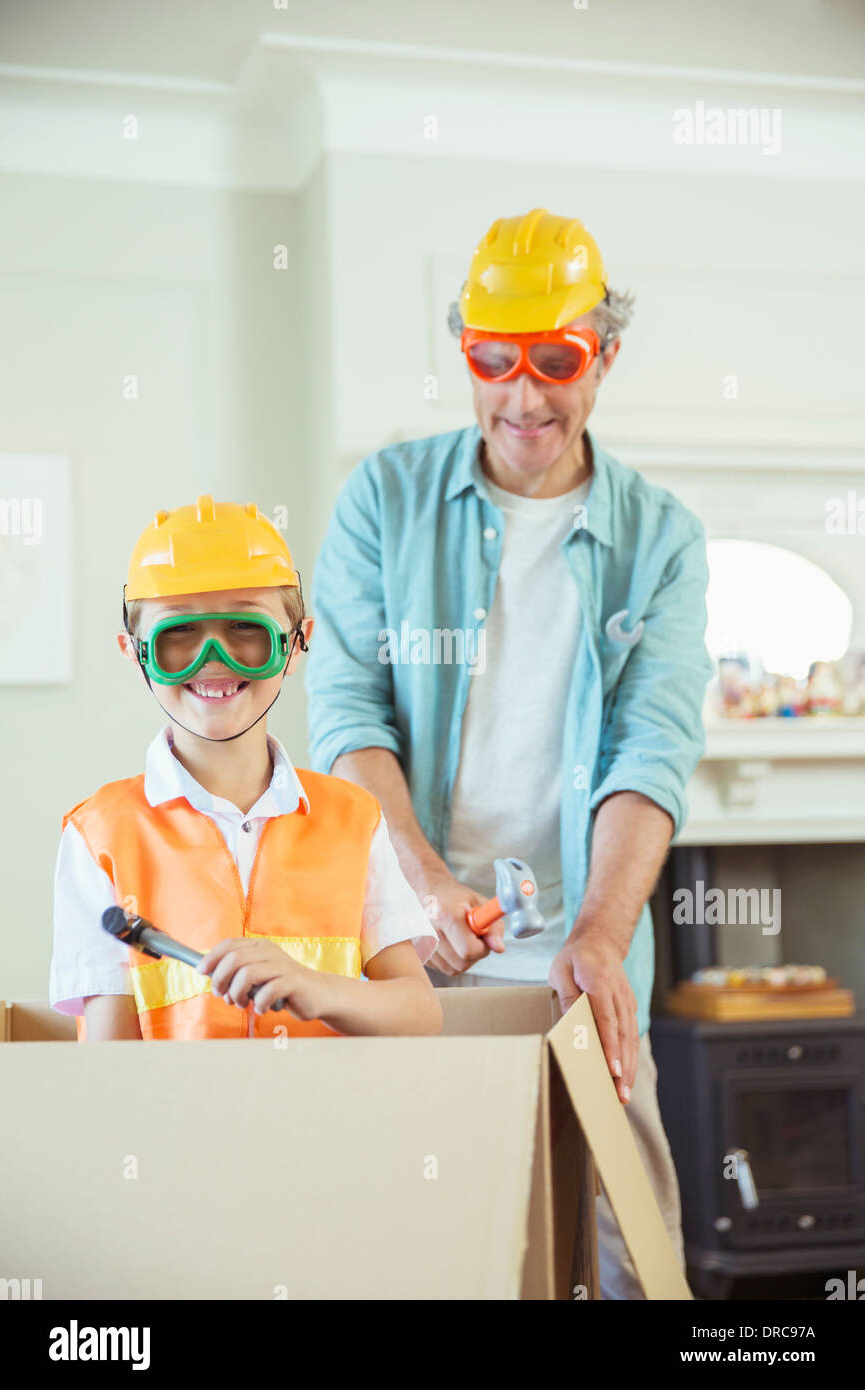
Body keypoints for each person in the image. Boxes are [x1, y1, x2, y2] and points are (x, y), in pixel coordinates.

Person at [305, 208, 713, 1297]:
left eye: (555, 359)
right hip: (413, 950)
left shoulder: (660, 536)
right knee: (424, 1234)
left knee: (626, 1241)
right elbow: (347, 710)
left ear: (604, 354)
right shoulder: (382, 502)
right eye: (492, 360)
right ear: (465, 355)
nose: (523, 396)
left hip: (583, 952)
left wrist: (599, 929)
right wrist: (424, 883)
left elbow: (652, 744)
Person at [49, 496, 441, 1041]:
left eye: (245, 630)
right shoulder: (98, 835)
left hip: (334, 1124)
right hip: (179, 1126)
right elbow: (110, 1068)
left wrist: (318, 988)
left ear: (298, 641)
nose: (214, 658)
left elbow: (420, 1015)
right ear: (134, 653)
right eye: (178, 635)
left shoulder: (354, 818)